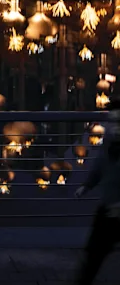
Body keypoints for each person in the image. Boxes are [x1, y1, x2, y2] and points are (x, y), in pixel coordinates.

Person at [75, 99, 120, 284]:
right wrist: (87, 185)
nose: (115, 127)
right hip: (109, 208)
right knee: (94, 254)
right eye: (112, 121)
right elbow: (99, 166)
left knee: (95, 254)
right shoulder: (109, 143)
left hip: (115, 208)